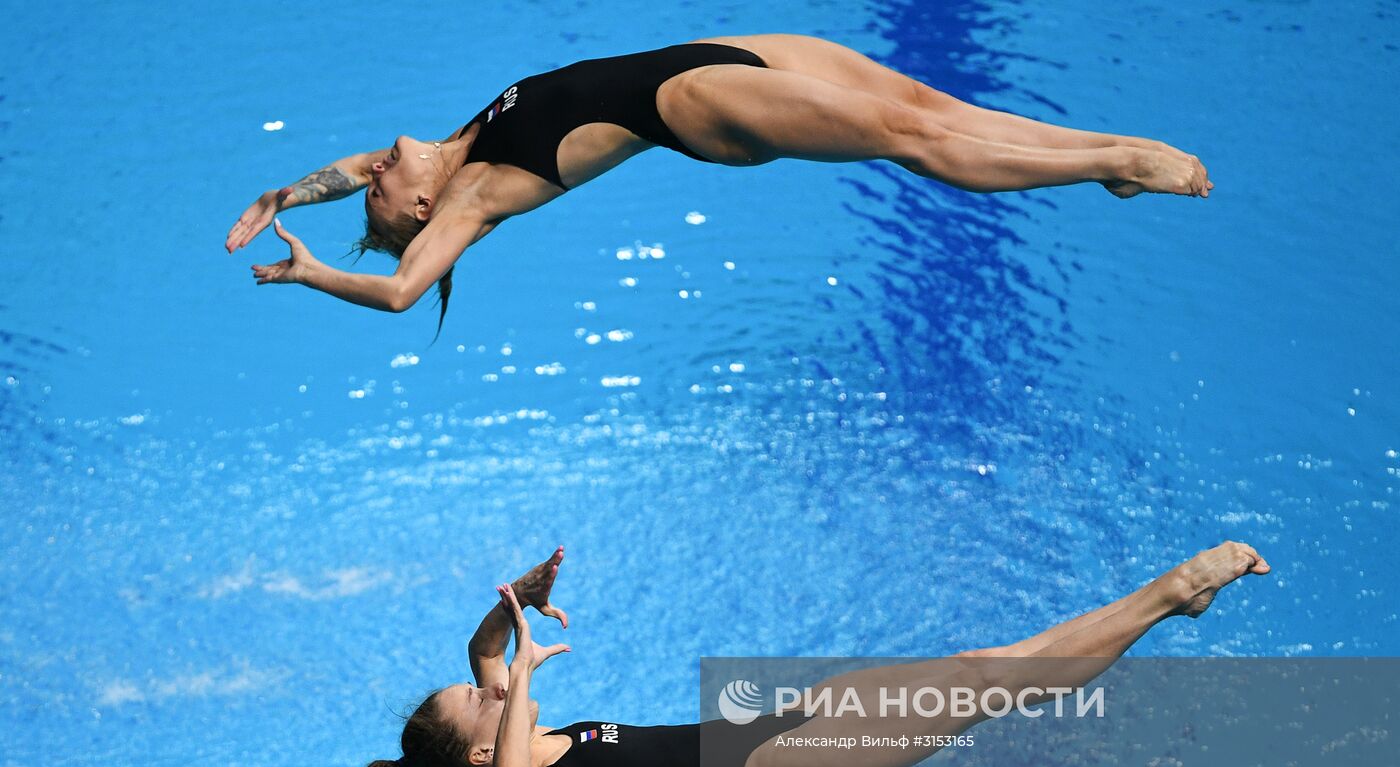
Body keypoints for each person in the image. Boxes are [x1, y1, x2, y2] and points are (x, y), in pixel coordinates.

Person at [227, 35, 1213, 333]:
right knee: (905, 138)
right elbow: (401, 290)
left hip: (713, 52)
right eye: (381, 192)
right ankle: (1105, 168)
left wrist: (280, 196)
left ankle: (1102, 151)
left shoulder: (441, 148)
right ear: (425, 218)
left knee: (920, 98)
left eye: (372, 176)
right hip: (696, 108)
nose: (375, 168)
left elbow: (354, 166)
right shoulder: (474, 193)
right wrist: (313, 274)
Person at [364, 540, 1269, 767]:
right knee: (991, 688)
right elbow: (514, 759)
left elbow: (480, 646)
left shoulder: (510, 731)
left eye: (486, 691)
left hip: (762, 731)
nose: (492, 690)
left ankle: (1167, 603)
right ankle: (1169, 594)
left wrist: (518, 597)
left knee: (971, 668)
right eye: (480, 703)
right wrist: (522, 675)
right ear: (480, 751)